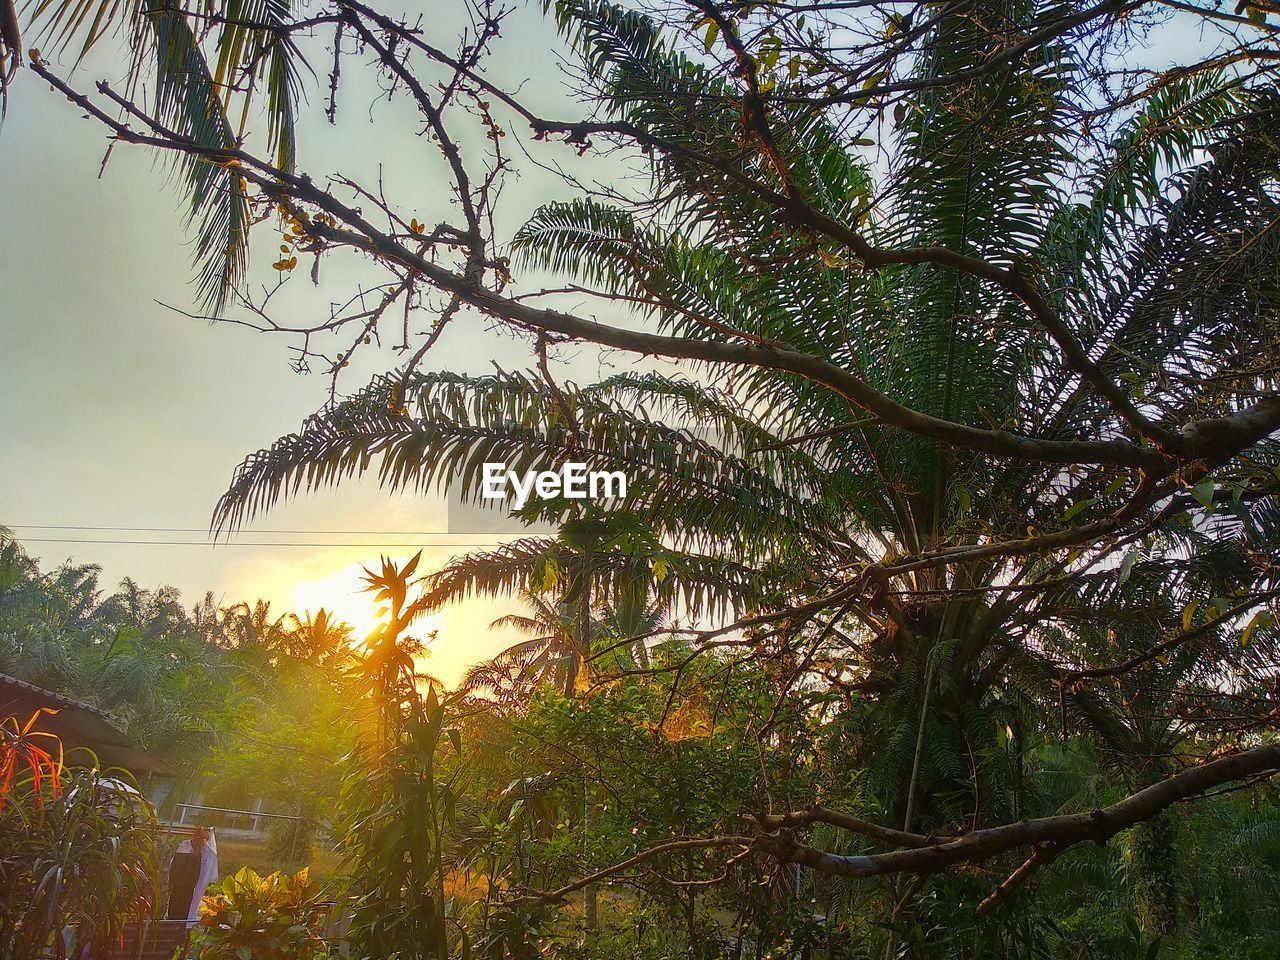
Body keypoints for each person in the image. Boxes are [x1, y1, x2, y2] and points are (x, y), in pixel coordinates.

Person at [166, 826, 219, 925]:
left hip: (197, 883)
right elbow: (175, 864)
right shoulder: (185, 845)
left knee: (190, 905)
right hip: (181, 883)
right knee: (176, 904)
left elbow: (209, 868)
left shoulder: (208, 851)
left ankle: (185, 926)